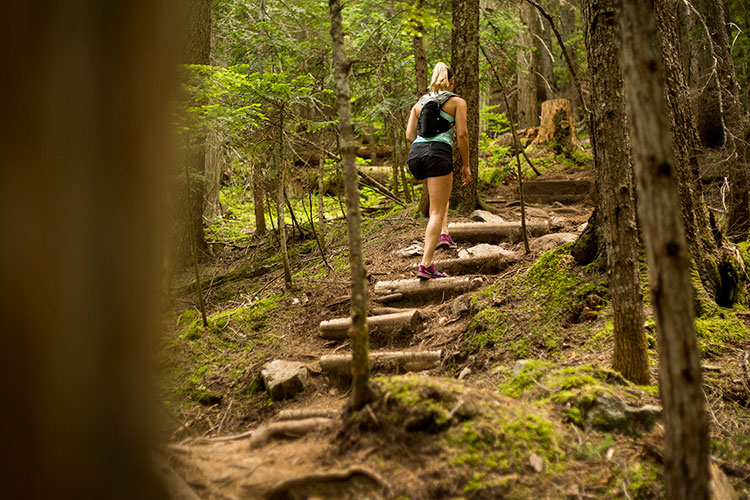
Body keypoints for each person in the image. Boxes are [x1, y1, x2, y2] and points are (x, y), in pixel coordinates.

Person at [406, 62, 471, 279]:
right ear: (451, 81)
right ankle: (426, 265)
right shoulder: (457, 102)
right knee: (435, 210)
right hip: (438, 153)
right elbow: (462, 135)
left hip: (416, 156)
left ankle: (444, 233)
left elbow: (408, 135)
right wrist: (466, 164)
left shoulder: (419, 103)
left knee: (439, 199)